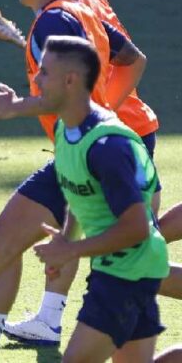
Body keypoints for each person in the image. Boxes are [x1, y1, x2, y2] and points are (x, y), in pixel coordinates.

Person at [0, 0, 153, 362]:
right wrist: (107, 112)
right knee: (37, 239)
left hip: (97, 155)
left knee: (134, 266)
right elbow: (133, 60)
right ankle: (35, 326)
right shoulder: (81, 5)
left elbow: (64, 92)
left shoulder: (53, 21)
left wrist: (14, 107)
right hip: (104, 146)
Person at [1, 0, 171, 345]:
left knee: (128, 254)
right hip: (121, 130)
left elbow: (80, 81)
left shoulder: (62, 16)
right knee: (119, 241)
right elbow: (132, 58)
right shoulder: (86, 1)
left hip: (109, 140)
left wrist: (96, 118)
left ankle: (48, 319)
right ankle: (48, 318)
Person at [29, 36, 167, 362]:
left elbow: (137, 228)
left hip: (126, 273)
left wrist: (72, 249)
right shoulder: (67, 129)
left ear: (70, 80)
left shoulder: (108, 148)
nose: (36, 78)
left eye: (44, 72)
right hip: (127, 268)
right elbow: (81, 193)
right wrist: (65, 240)